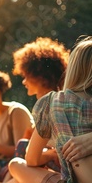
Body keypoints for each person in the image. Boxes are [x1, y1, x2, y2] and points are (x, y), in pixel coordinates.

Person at [1, 35, 92, 183]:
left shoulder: (53, 103)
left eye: (26, 75)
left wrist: (52, 154)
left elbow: (32, 159)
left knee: (17, 164)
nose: (24, 80)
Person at [11, 36, 69, 165]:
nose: (23, 81)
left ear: (40, 76)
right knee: (22, 146)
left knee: (20, 152)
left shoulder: (50, 104)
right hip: (49, 160)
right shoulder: (58, 99)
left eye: (26, 76)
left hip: (59, 164)